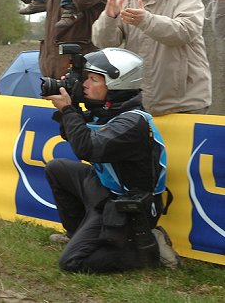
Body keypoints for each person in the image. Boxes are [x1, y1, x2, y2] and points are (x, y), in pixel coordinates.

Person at [44, 47, 178, 272]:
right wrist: (72, 106)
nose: (85, 84)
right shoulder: (108, 111)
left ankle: (148, 249)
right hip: (107, 190)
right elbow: (73, 135)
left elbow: (87, 149)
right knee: (58, 168)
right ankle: (77, 234)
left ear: (118, 83)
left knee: (72, 263)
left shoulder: (132, 123)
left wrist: (68, 111)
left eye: (93, 79)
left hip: (129, 205)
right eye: (85, 78)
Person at [92, 0, 211, 116]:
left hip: (184, 105)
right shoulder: (126, 0)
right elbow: (104, 44)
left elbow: (186, 30)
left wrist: (146, 21)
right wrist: (109, 18)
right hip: (139, 106)